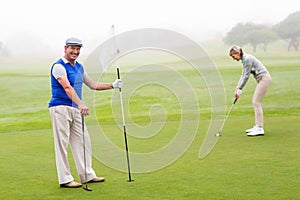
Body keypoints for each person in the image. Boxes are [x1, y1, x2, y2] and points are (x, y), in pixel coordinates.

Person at [49, 37, 122, 188]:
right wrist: (81, 103)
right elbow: (67, 87)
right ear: (65, 48)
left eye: (78, 49)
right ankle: (65, 179)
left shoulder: (79, 67)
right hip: (60, 108)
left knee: (83, 141)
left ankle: (87, 175)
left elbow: (92, 84)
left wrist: (113, 85)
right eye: (72, 48)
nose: (75, 51)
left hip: (75, 109)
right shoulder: (59, 66)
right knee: (62, 144)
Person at [229, 45, 272, 136]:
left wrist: (240, 88)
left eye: (233, 56)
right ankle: (257, 126)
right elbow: (243, 74)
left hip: (264, 79)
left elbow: (246, 76)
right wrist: (237, 88)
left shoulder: (247, 59)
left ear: (237, 53)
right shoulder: (245, 59)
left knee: (256, 102)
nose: (234, 59)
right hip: (261, 79)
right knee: (255, 102)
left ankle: (260, 128)